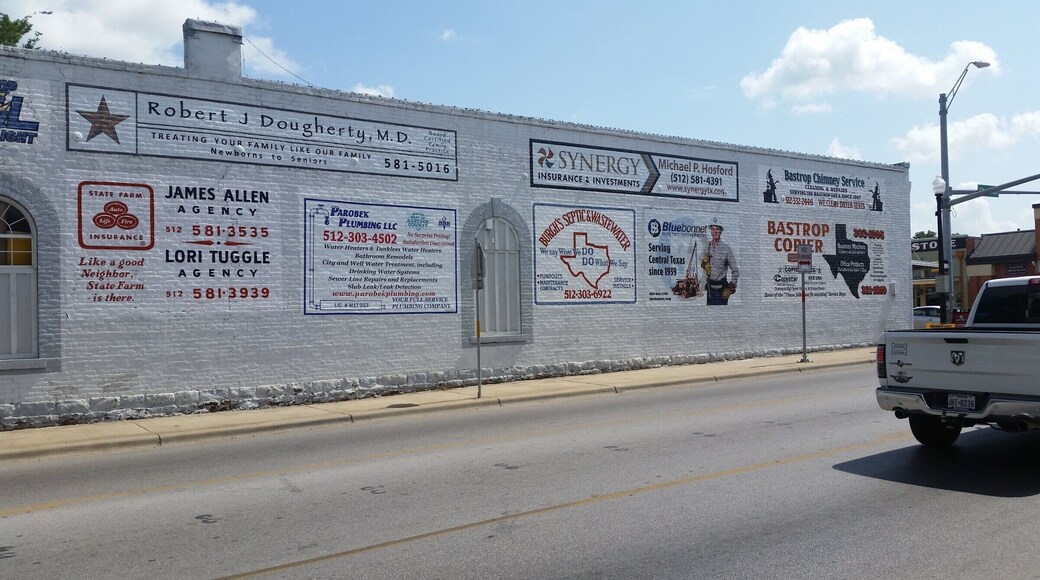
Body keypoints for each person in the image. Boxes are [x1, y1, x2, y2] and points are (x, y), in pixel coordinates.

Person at [702, 221, 739, 305]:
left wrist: (731, 286)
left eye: (717, 229)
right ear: (711, 231)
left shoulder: (726, 249)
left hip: (721, 291)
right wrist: (704, 264)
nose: (715, 231)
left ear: (721, 231)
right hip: (710, 289)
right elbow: (705, 267)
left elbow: (735, 270)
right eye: (713, 229)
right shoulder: (707, 247)